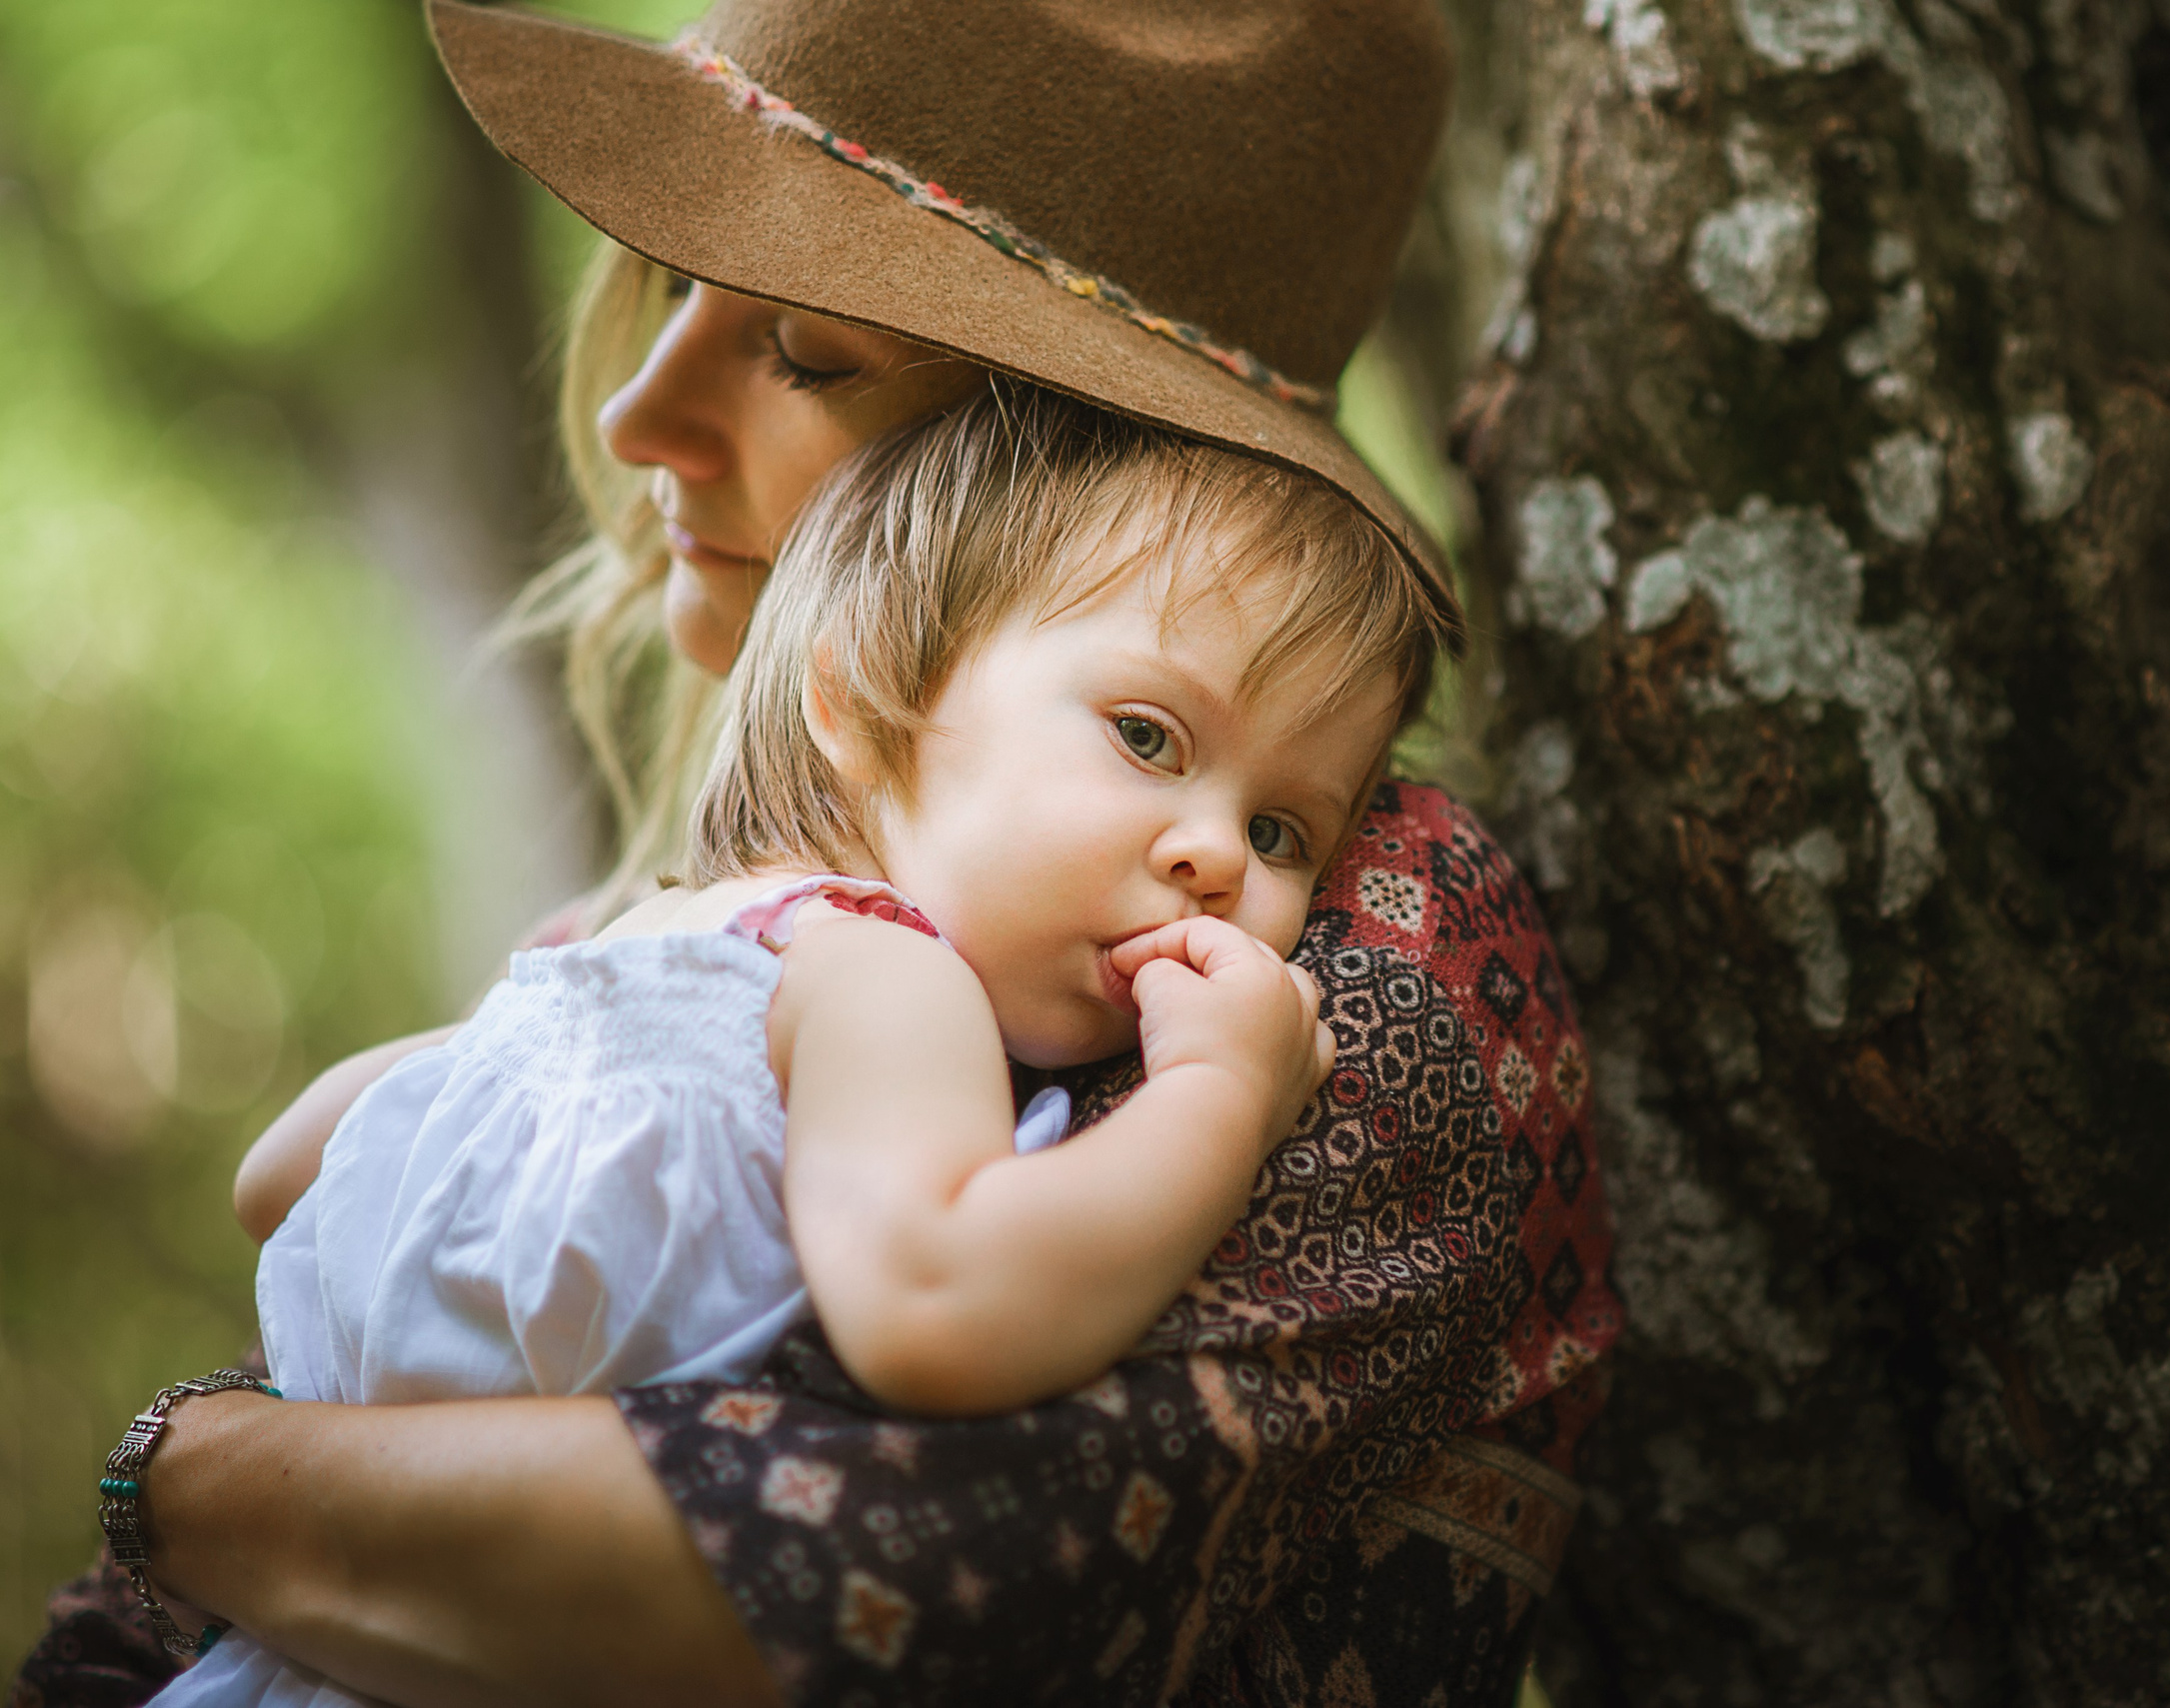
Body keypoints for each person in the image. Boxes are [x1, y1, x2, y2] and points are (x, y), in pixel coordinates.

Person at [13, 2, 1620, 1703]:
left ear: (1064, 462)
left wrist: (188, 1471)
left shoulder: (1355, 955)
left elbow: (836, 1582)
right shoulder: (655, 954)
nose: (638, 412)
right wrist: (198, 1479)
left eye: (808, 350)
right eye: (669, 292)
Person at [157, 379, 1444, 1708]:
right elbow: (937, 1301)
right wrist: (1220, 1092)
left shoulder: (608, 965)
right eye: (1146, 735)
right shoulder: (884, 978)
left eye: (1287, 831)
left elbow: (282, 1174)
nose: (1217, 854)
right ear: (869, 693)